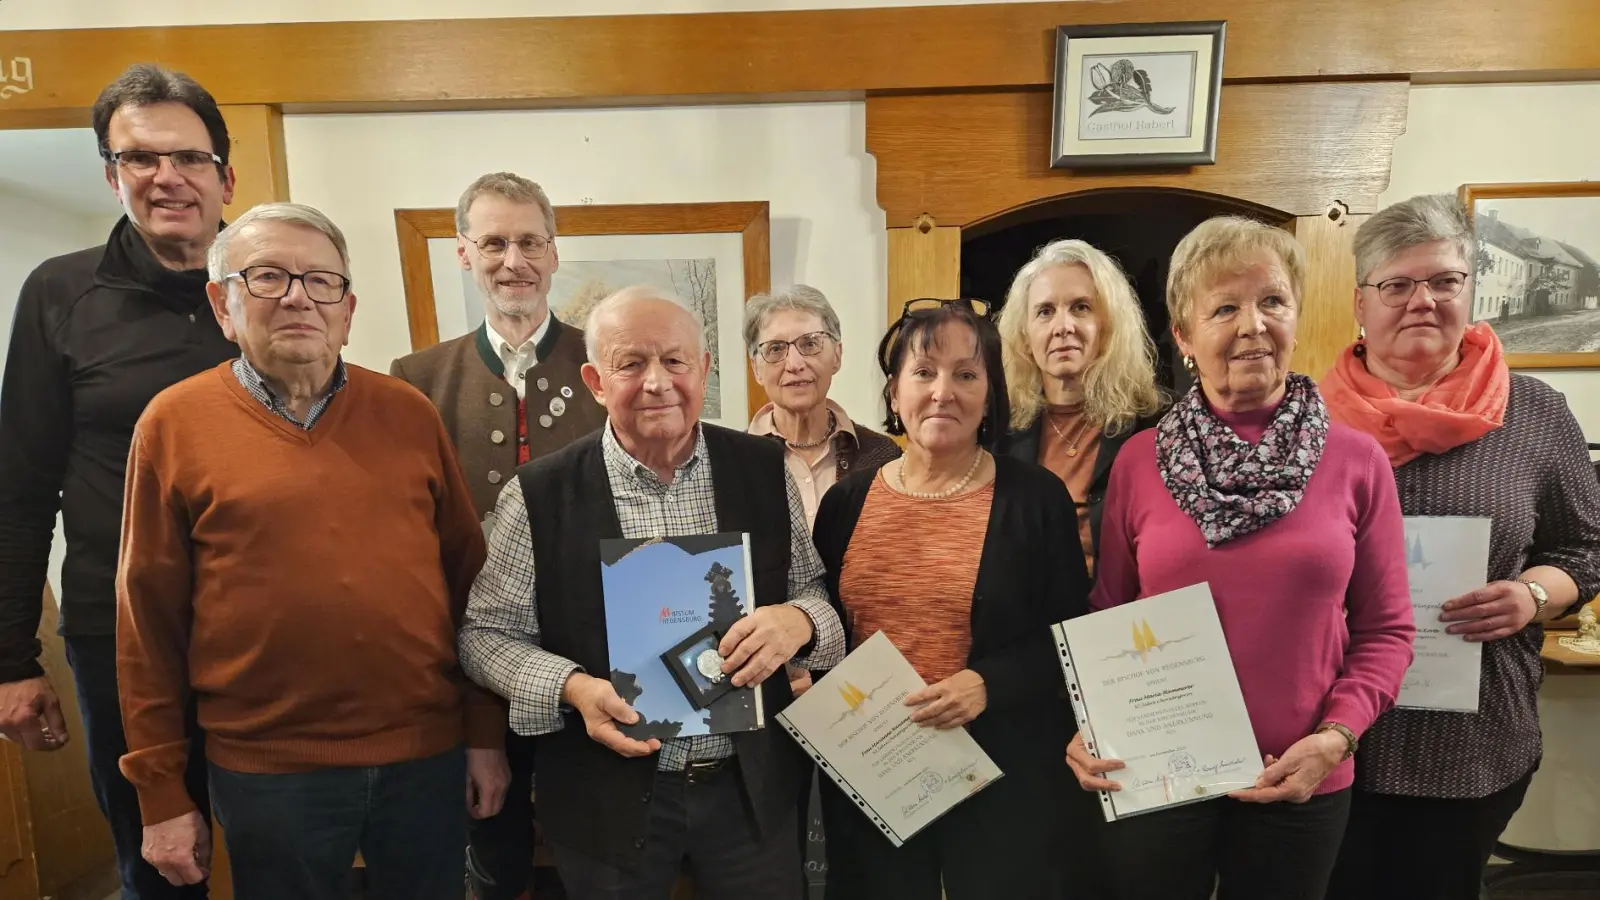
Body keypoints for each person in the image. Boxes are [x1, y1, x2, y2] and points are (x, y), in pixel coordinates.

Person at [116, 203, 504, 900]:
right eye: (267, 277)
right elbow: (147, 626)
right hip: (267, 773)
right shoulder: (172, 425)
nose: (298, 296)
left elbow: (471, 588)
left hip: (426, 759)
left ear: (347, 309)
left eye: (320, 281)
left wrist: (484, 734)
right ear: (223, 304)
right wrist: (160, 792)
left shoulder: (409, 414)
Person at [1064, 216, 1415, 900]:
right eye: (1225, 307)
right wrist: (1089, 721)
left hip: (1300, 779)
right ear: (1185, 336)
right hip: (1158, 773)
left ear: (1297, 315)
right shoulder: (1139, 462)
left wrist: (1337, 738)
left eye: (1272, 301)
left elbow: (1388, 631)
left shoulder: (1357, 462)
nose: (1253, 324)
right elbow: (1108, 614)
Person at [458, 286, 846, 900]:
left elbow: (815, 596)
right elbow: (484, 634)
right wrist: (572, 688)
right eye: (631, 363)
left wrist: (798, 622)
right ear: (594, 379)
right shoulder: (537, 492)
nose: (657, 382)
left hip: (752, 797)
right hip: (605, 800)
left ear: (704, 369)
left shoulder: (763, 469)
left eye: (675, 360)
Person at [0, 63, 238, 899]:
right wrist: (10, 661)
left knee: (291, 846)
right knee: (158, 859)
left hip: (262, 635)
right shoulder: (58, 296)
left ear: (224, 173)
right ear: (112, 174)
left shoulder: (272, 291)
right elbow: (19, 490)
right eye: (140, 158)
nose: (167, 177)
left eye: (188, 157)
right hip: (121, 637)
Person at [1319, 195, 1600, 900]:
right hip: (1325, 733)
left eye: (1444, 281)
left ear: (1471, 292)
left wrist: (1531, 597)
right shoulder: (1306, 418)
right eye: (1398, 284)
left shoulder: (1533, 413)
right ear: (1360, 301)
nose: (1423, 301)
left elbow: (1586, 549)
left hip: (1469, 744)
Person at [809, 298, 1088, 900]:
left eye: (966, 374)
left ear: (990, 394)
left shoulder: (1037, 500)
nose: (943, 392)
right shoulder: (847, 503)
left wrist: (988, 683)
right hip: (875, 768)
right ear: (893, 391)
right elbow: (829, 628)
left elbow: (1070, 639)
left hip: (999, 767)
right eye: (924, 372)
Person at [390, 172, 606, 900]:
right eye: (493, 243)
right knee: (492, 854)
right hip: (468, 667)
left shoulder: (607, 366)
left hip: (593, 667)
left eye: (528, 242)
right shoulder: (416, 379)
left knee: (597, 858)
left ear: (553, 253)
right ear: (463, 254)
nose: (512, 261)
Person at [741, 284, 901, 890]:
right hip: (763, 687)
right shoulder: (727, 462)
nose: (794, 362)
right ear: (757, 368)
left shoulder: (887, 458)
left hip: (866, 687)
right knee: (771, 853)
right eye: (774, 348)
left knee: (859, 854)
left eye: (810, 343)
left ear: (837, 354)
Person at [997, 239, 1165, 580]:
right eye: (1045, 311)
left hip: (1125, 620)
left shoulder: (1158, 422)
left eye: (1081, 308)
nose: (1063, 326)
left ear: (1108, 326)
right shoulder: (998, 429)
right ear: (1025, 336)